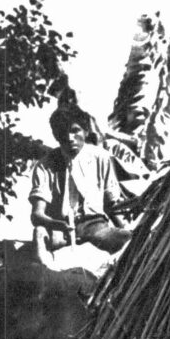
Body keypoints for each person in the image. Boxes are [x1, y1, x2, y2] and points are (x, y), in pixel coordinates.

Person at [29, 106, 131, 256]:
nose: (69, 137)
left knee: (126, 238)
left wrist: (125, 230)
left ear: (86, 131)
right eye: (62, 132)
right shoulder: (45, 165)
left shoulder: (101, 157)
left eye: (75, 130)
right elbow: (37, 214)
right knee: (40, 235)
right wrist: (57, 225)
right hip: (59, 230)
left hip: (95, 226)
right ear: (55, 135)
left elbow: (111, 204)